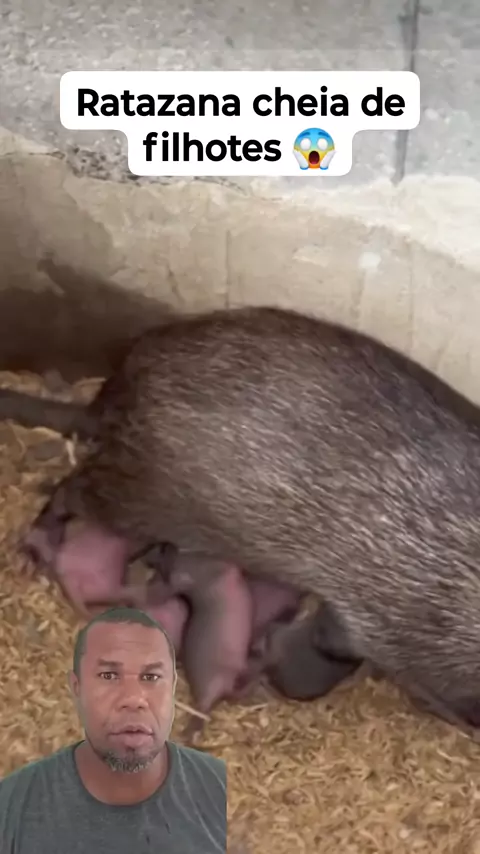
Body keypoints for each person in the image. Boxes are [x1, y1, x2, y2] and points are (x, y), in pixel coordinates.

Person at [0, 607, 227, 853]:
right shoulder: (11, 809)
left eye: (151, 677)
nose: (134, 698)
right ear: (76, 688)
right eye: (108, 675)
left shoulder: (222, 794)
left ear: (172, 687)